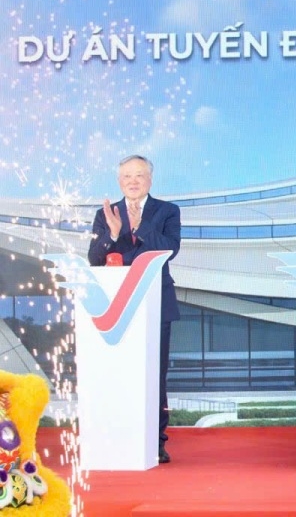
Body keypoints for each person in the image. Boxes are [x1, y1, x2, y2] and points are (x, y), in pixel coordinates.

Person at [86, 155, 180, 464]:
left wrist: (141, 226)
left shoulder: (167, 211)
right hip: (118, 307)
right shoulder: (106, 214)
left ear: (150, 179)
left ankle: (156, 441)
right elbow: (95, 259)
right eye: (127, 176)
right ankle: (118, 435)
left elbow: (169, 249)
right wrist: (113, 234)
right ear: (119, 181)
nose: (133, 181)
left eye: (139, 175)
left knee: (156, 375)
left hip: (156, 302)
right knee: (118, 372)